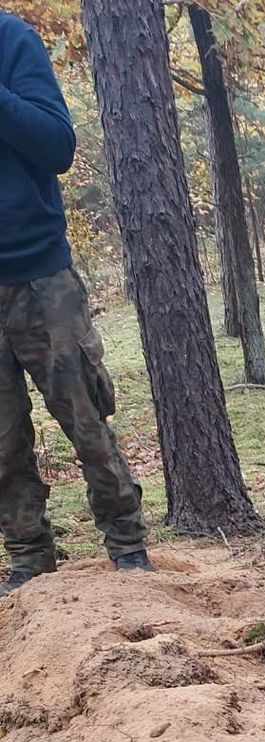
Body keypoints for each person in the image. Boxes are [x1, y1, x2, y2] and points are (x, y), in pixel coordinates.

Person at [0, 9, 150, 596]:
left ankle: (128, 548)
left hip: (41, 277)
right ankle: (29, 563)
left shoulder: (12, 39)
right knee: (3, 441)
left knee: (85, 419)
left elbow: (57, 144)